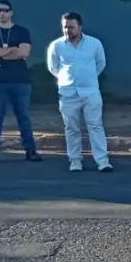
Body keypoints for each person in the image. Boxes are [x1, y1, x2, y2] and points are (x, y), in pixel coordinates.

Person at [47, 11, 113, 173]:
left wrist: (88, 78)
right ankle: (75, 160)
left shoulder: (94, 44)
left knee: (95, 125)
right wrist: (65, 80)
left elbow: (100, 64)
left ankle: (102, 161)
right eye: (64, 27)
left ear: (80, 27)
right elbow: (53, 67)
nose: (67, 30)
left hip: (90, 91)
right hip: (68, 92)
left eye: (71, 27)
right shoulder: (56, 46)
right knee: (71, 127)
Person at [0, 0, 41, 163]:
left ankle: (30, 150)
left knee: (24, 116)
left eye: (5, 10)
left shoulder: (22, 32)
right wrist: (11, 50)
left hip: (20, 80)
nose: (2, 13)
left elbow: (23, 53)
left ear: (11, 13)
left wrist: (1, 52)